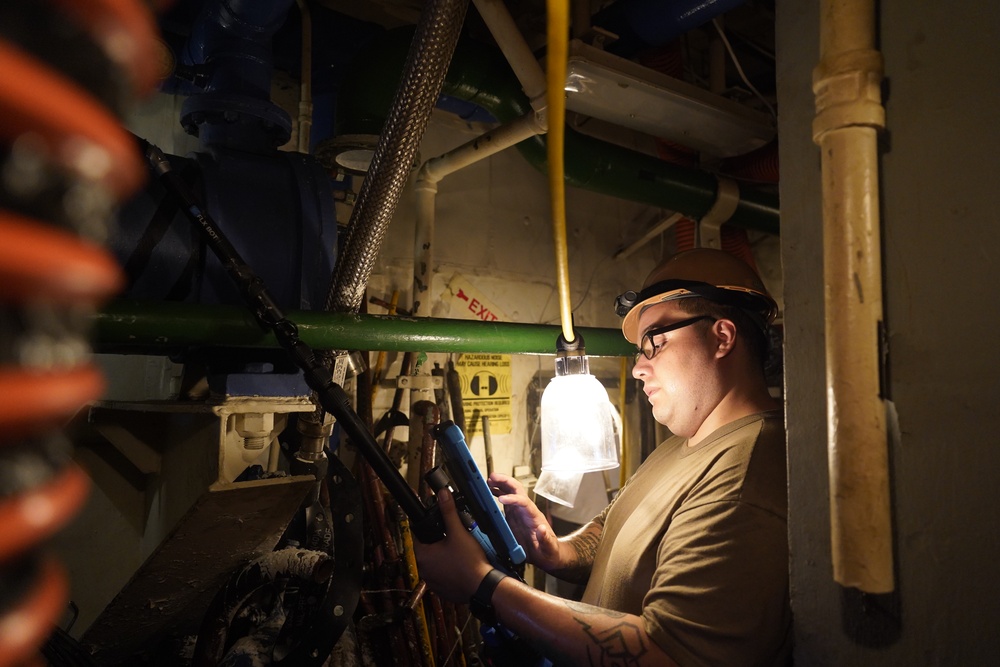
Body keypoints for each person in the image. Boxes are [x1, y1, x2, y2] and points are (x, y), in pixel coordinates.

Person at [414, 248, 791, 666]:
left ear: (722, 337)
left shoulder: (746, 476)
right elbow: (613, 529)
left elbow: (667, 655)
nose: (637, 368)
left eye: (655, 343)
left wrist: (484, 585)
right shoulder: (685, 442)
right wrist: (553, 550)